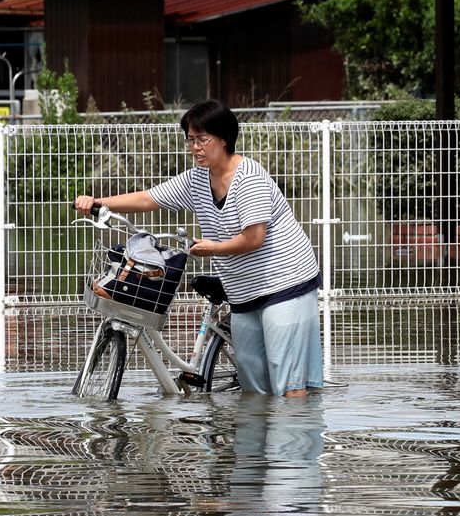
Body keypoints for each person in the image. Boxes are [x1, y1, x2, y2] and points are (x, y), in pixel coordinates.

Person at [74, 99, 323, 397]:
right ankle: (257, 439)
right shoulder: (197, 179)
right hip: (243, 289)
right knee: (253, 385)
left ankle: (296, 435)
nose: (195, 147)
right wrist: (99, 203)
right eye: (190, 139)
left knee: (288, 383)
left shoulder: (250, 179)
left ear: (225, 139)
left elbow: (254, 238)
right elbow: (150, 199)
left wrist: (213, 249)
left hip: (284, 281)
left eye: (203, 139)